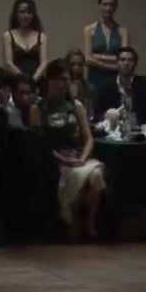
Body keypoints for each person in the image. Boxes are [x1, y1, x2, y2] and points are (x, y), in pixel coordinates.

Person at [30, 60, 105, 241]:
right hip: (54, 159)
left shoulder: (76, 106)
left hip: (78, 157)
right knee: (74, 176)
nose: (63, 84)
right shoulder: (38, 107)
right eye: (59, 79)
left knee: (96, 175)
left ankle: (89, 222)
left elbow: (88, 139)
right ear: (49, 81)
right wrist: (62, 159)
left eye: (66, 80)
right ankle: (72, 220)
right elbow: (40, 143)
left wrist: (82, 158)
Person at [82, 0, 129, 99]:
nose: (108, 8)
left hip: (116, 79)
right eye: (105, 4)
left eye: (111, 4)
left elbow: (124, 58)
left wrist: (97, 56)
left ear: (115, 7)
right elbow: (88, 59)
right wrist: (112, 65)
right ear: (99, 6)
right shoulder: (89, 30)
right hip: (95, 80)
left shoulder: (123, 31)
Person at [93, 46, 146, 129]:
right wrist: (107, 115)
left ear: (135, 63)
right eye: (122, 60)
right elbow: (96, 115)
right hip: (113, 132)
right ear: (117, 63)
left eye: (130, 60)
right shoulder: (106, 87)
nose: (126, 63)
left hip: (140, 131)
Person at [2, 0, 47, 81]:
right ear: (16, 14)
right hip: (15, 81)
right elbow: (8, 63)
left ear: (33, 15)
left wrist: (33, 80)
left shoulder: (42, 36)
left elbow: (43, 63)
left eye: (29, 12)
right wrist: (23, 80)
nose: (25, 15)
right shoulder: (8, 35)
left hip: (36, 81)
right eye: (22, 12)